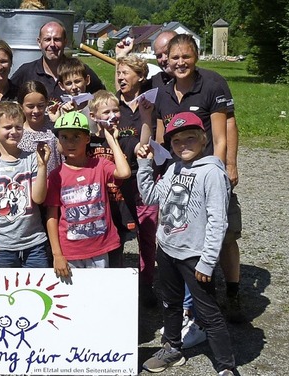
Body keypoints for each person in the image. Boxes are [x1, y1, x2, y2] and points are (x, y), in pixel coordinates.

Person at [155, 33, 245, 324]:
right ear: (166, 60)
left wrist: (225, 167)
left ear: (196, 57)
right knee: (183, 236)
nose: (180, 62)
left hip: (207, 174)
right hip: (179, 177)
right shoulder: (164, 92)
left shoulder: (212, 84)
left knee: (225, 232)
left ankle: (232, 293)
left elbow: (221, 135)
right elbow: (160, 139)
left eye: (186, 57)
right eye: (175, 57)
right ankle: (186, 300)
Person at [137, 112, 235, 376]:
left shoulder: (212, 173)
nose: (183, 144)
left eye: (190, 138)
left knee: (208, 312)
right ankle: (172, 348)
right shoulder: (173, 168)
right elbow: (150, 197)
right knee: (170, 303)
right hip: (167, 249)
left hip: (194, 256)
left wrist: (208, 260)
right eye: (177, 140)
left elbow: (218, 221)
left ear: (203, 139)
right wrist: (145, 165)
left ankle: (226, 367)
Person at [44, 111, 131, 277]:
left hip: (99, 248)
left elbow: (124, 172)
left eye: (76, 136)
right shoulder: (56, 175)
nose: (70, 142)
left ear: (87, 139)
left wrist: (112, 140)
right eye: (64, 137)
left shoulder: (100, 165)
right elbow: (52, 216)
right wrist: (57, 254)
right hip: (70, 251)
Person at [0, 102, 51, 278]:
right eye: (7, 127)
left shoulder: (31, 158)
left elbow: (38, 199)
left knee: (36, 293)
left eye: (18, 127)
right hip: (1, 246)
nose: (13, 132)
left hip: (34, 243)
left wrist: (41, 166)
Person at [114, 54, 158, 307]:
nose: (120, 77)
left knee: (147, 231)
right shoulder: (112, 104)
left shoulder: (149, 104)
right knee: (116, 231)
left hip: (143, 176)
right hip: (118, 178)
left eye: (126, 73)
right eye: (118, 73)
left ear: (140, 77)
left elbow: (148, 141)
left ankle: (146, 283)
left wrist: (145, 116)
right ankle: (117, 281)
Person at [87, 90, 140, 268]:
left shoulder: (126, 139)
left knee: (116, 258)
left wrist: (112, 140)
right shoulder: (87, 141)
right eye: (106, 112)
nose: (112, 116)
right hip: (96, 211)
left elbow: (139, 147)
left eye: (115, 110)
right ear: (94, 116)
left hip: (120, 208)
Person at [10, 20, 105, 100]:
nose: (52, 44)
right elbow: (7, 98)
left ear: (65, 42)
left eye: (57, 39)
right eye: (47, 39)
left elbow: (103, 98)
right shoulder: (26, 72)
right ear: (39, 42)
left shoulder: (79, 70)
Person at [16, 80, 61, 173]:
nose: (36, 111)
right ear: (21, 106)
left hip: (55, 182)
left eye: (40, 105)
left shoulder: (54, 129)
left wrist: (57, 123)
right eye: (30, 106)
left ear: (46, 103)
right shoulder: (17, 134)